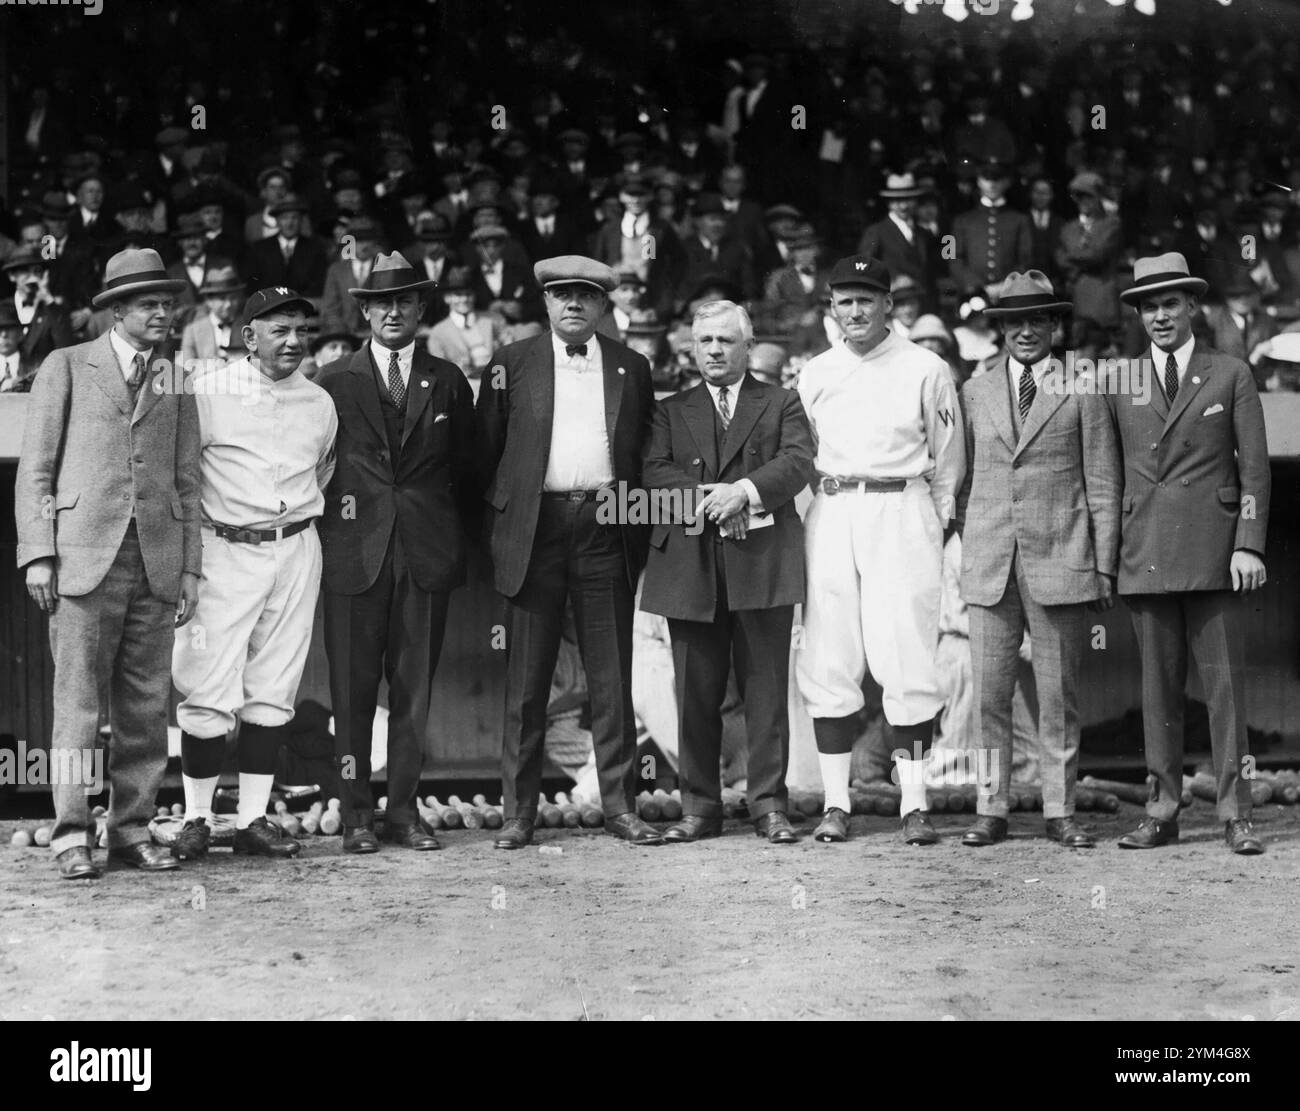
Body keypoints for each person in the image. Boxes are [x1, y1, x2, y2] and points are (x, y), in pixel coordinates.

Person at [14, 248, 199, 879]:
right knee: (79, 704)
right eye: (148, 303)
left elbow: (187, 481)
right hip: (79, 560)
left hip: (156, 559)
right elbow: (37, 469)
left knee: (146, 708)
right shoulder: (66, 366)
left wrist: (190, 570)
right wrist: (39, 552)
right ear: (115, 311)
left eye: (167, 303)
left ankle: (130, 831)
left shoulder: (174, 376)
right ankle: (71, 835)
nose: (162, 313)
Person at [476, 255, 661, 848]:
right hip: (536, 528)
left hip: (607, 524)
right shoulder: (511, 362)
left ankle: (620, 807)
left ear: (604, 305)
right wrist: (499, 535)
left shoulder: (633, 366)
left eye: (586, 295)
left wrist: (636, 527)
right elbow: (485, 453)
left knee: (612, 677)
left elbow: (643, 458)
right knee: (527, 683)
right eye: (562, 295)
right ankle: (518, 812)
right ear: (546, 303)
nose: (573, 304)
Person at [795, 256, 965, 845]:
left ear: (889, 305)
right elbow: (803, 454)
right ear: (832, 309)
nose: (856, 311)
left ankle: (913, 804)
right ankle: (837, 802)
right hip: (835, 506)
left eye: (868, 299)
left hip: (902, 506)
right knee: (830, 652)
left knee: (907, 653)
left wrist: (932, 523)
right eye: (845, 300)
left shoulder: (926, 366)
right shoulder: (815, 372)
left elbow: (949, 461)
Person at [317, 252, 479, 854]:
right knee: (353, 692)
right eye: (381, 302)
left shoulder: (449, 380)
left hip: (425, 553)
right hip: (354, 555)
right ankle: (357, 814)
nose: (392, 311)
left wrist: (450, 536)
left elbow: (469, 468)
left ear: (420, 309)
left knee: (414, 690)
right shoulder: (332, 383)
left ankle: (404, 812)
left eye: (404, 301)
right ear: (363, 310)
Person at [1108, 253, 1269, 855]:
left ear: (1192, 306)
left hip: (1216, 554)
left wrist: (1248, 544)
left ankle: (1237, 812)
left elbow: (1254, 472)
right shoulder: (1120, 380)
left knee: (1227, 691)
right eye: (1149, 306)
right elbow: (1106, 473)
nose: (1160, 316)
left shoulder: (1230, 372)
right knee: (1158, 692)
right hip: (1144, 551)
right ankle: (1161, 810)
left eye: (1170, 303)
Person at [169, 288, 337, 862]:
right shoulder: (208, 391)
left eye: (301, 331)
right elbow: (182, 478)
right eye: (279, 330)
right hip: (224, 547)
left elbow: (324, 470)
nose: (294, 341)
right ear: (248, 337)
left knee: (274, 687)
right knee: (209, 683)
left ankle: (253, 819)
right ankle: (195, 817)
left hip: (295, 547)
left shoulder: (318, 401)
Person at [955, 270, 1121, 848]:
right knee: (991, 697)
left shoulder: (1084, 383)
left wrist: (1103, 565)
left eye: (1037, 320)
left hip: (1062, 559)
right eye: (1013, 321)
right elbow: (963, 479)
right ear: (999, 329)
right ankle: (991, 808)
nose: (1025, 331)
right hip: (991, 561)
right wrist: (969, 544)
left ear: (1055, 325)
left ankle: (1060, 809)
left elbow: (1101, 481)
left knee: (1058, 696)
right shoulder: (975, 389)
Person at [640, 300, 815, 843]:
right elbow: (651, 472)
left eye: (725, 341)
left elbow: (798, 461)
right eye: (705, 341)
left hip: (760, 564)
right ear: (693, 348)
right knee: (694, 693)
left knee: (766, 693)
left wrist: (744, 493)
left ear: (747, 343)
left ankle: (768, 804)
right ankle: (699, 807)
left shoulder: (782, 401)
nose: (714, 350)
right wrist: (713, 501)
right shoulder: (670, 410)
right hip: (690, 567)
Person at [425, 265, 507, 400]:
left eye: (468, 294)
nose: (464, 299)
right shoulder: (438, 332)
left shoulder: (493, 320)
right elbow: (440, 373)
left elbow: (508, 355)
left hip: (497, 382)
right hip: (463, 389)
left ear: (474, 296)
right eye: (458, 295)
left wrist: (499, 384)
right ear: (447, 298)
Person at [179, 264, 246, 365]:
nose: (228, 304)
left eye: (233, 298)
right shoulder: (192, 330)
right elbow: (185, 367)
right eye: (222, 299)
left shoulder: (247, 327)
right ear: (209, 301)